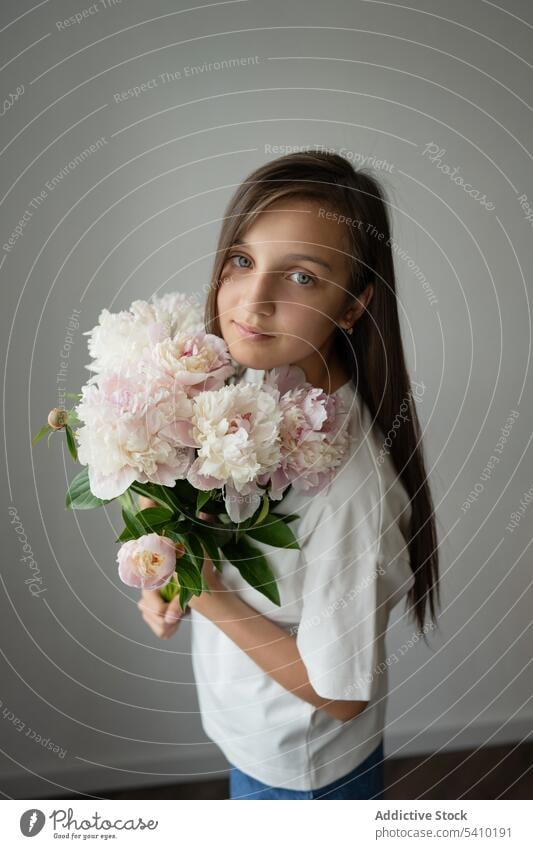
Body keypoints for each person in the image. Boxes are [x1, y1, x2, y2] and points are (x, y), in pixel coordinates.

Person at [137, 151, 440, 799]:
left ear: (352, 307)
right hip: (254, 737)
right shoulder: (248, 396)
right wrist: (168, 570)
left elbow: (338, 694)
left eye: (301, 277)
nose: (253, 299)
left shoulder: (350, 490)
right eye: (243, 260)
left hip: (303, 773)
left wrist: (207, 596)